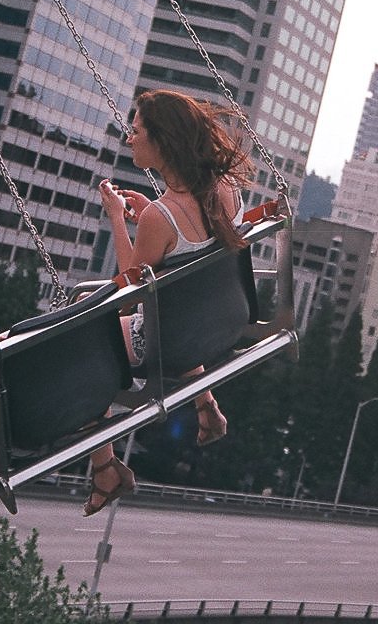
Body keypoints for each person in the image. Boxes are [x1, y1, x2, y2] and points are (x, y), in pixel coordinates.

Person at [80, 89, 254, 516]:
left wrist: (119, 220)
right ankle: (206, 403)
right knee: (173, 314)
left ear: (161, 141)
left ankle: (105, 470)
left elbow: (130, 297)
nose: (129, 139)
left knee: (82, 349)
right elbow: (183, 274)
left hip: (169, 342)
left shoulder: (161, 217)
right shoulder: (226, 189)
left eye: (136, 130)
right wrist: (150, 223)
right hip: (220, 322)